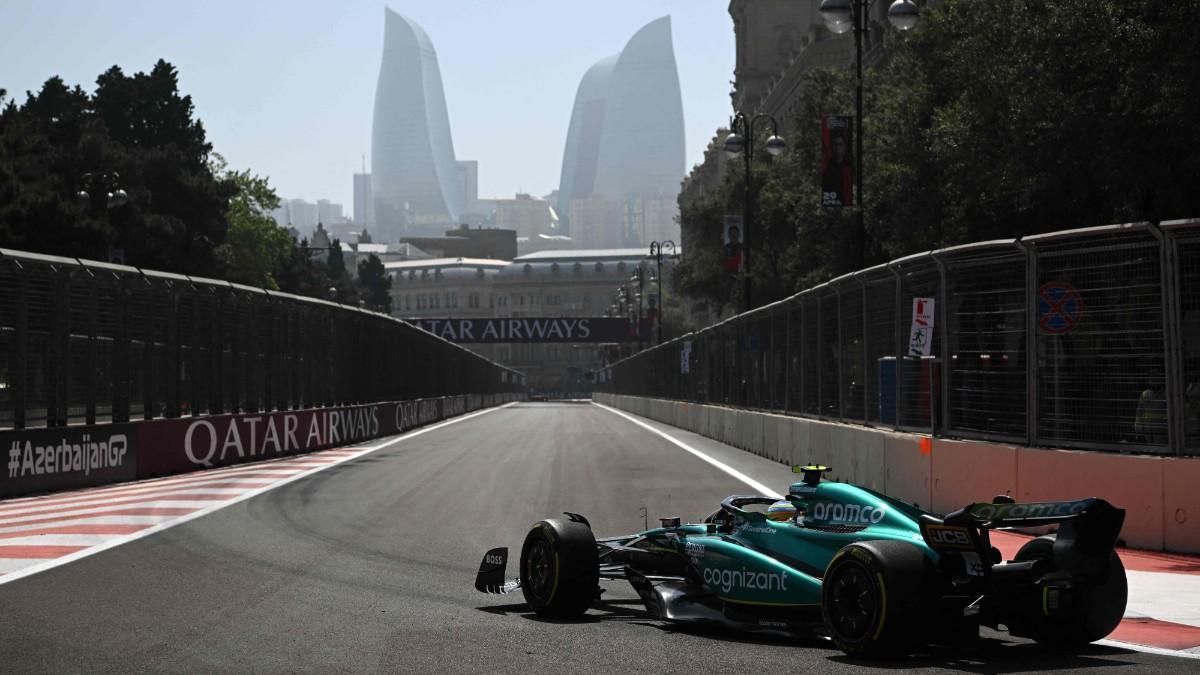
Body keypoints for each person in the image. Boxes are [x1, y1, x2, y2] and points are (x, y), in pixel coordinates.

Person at [822, 133, 854, 206]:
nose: (838, 147)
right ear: (832, 147)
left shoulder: (849, 167)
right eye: (835, 144)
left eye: (840, 144)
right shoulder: (827, 168)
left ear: (844, 147)